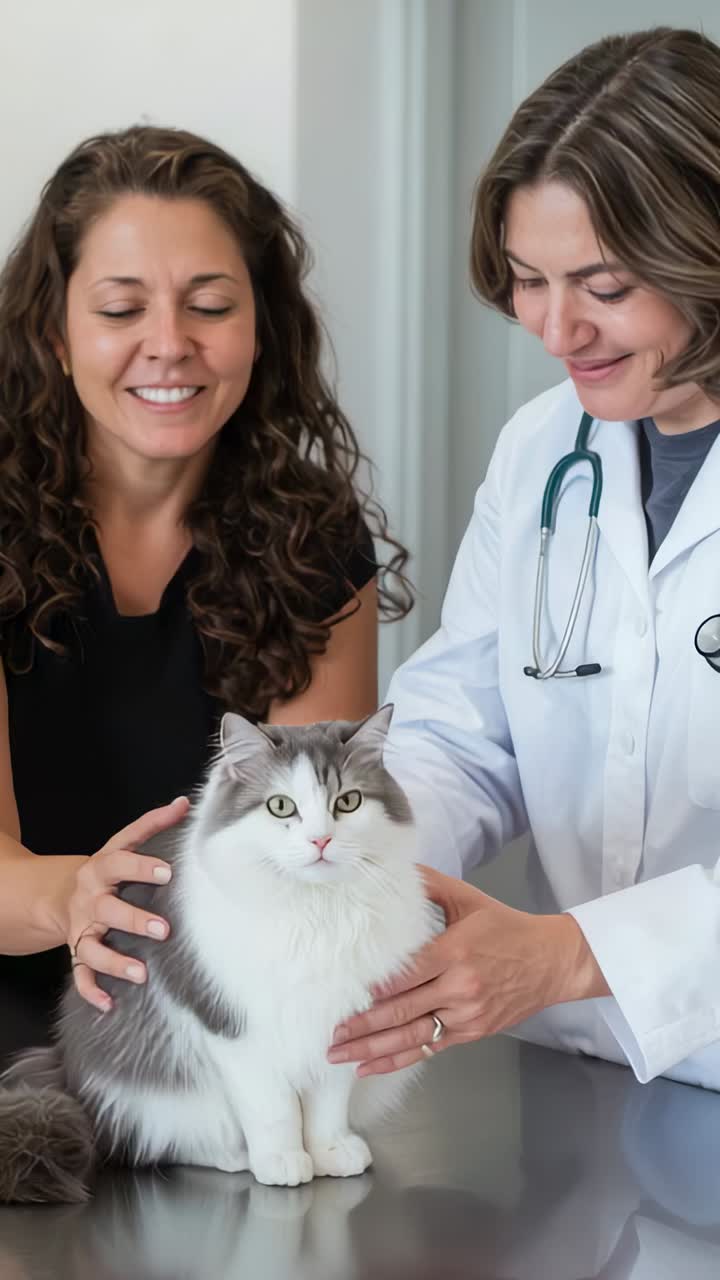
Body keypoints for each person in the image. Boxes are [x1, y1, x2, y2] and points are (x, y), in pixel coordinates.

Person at [328, 25, 720, 1093]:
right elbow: (466, 729)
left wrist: (566, 953)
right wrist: (359, 880)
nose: (556, 330)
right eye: (526, 280)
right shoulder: (546, 449)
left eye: (602, 284)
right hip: (587, 1077)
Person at [0, 125, 411, 1055]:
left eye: (210, 305)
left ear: (260, 328)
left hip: (216, 1032)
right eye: (120, 309)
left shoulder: (314, 541)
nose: (170, 346)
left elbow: (320, 857)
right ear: (55, 336)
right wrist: (79, 895)